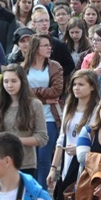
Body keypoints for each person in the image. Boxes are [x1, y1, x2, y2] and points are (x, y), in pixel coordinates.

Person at [49, 70, 100, 200]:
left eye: (81, 84)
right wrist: (54, 168)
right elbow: (61, 139)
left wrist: (78, 148)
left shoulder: (97, 110)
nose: (76, 88)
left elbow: (97, 141)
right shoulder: (69, 106)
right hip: (69, 169)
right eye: (74, 84)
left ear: (92, 87)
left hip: (86, 169)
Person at [23, 33, 63, 188]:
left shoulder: (55, 67)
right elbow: (22, 94)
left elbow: (56, 91)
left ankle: (42, 194)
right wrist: (44, 99)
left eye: (49, 45)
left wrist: (34, 91)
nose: (49, 48)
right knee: (29, 160)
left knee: (44, 159)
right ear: (35, 47)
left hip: (50, 117)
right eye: (45, 45)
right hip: (28, 118)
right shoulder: (24, 68)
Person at [0, 64, 47, 178]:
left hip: (26, 164)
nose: (9, 85)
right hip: (2, 162)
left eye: (14, 81)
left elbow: (42, 137)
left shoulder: (34, 105)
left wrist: (16, 140)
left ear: (22, 82)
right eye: (6, 81)